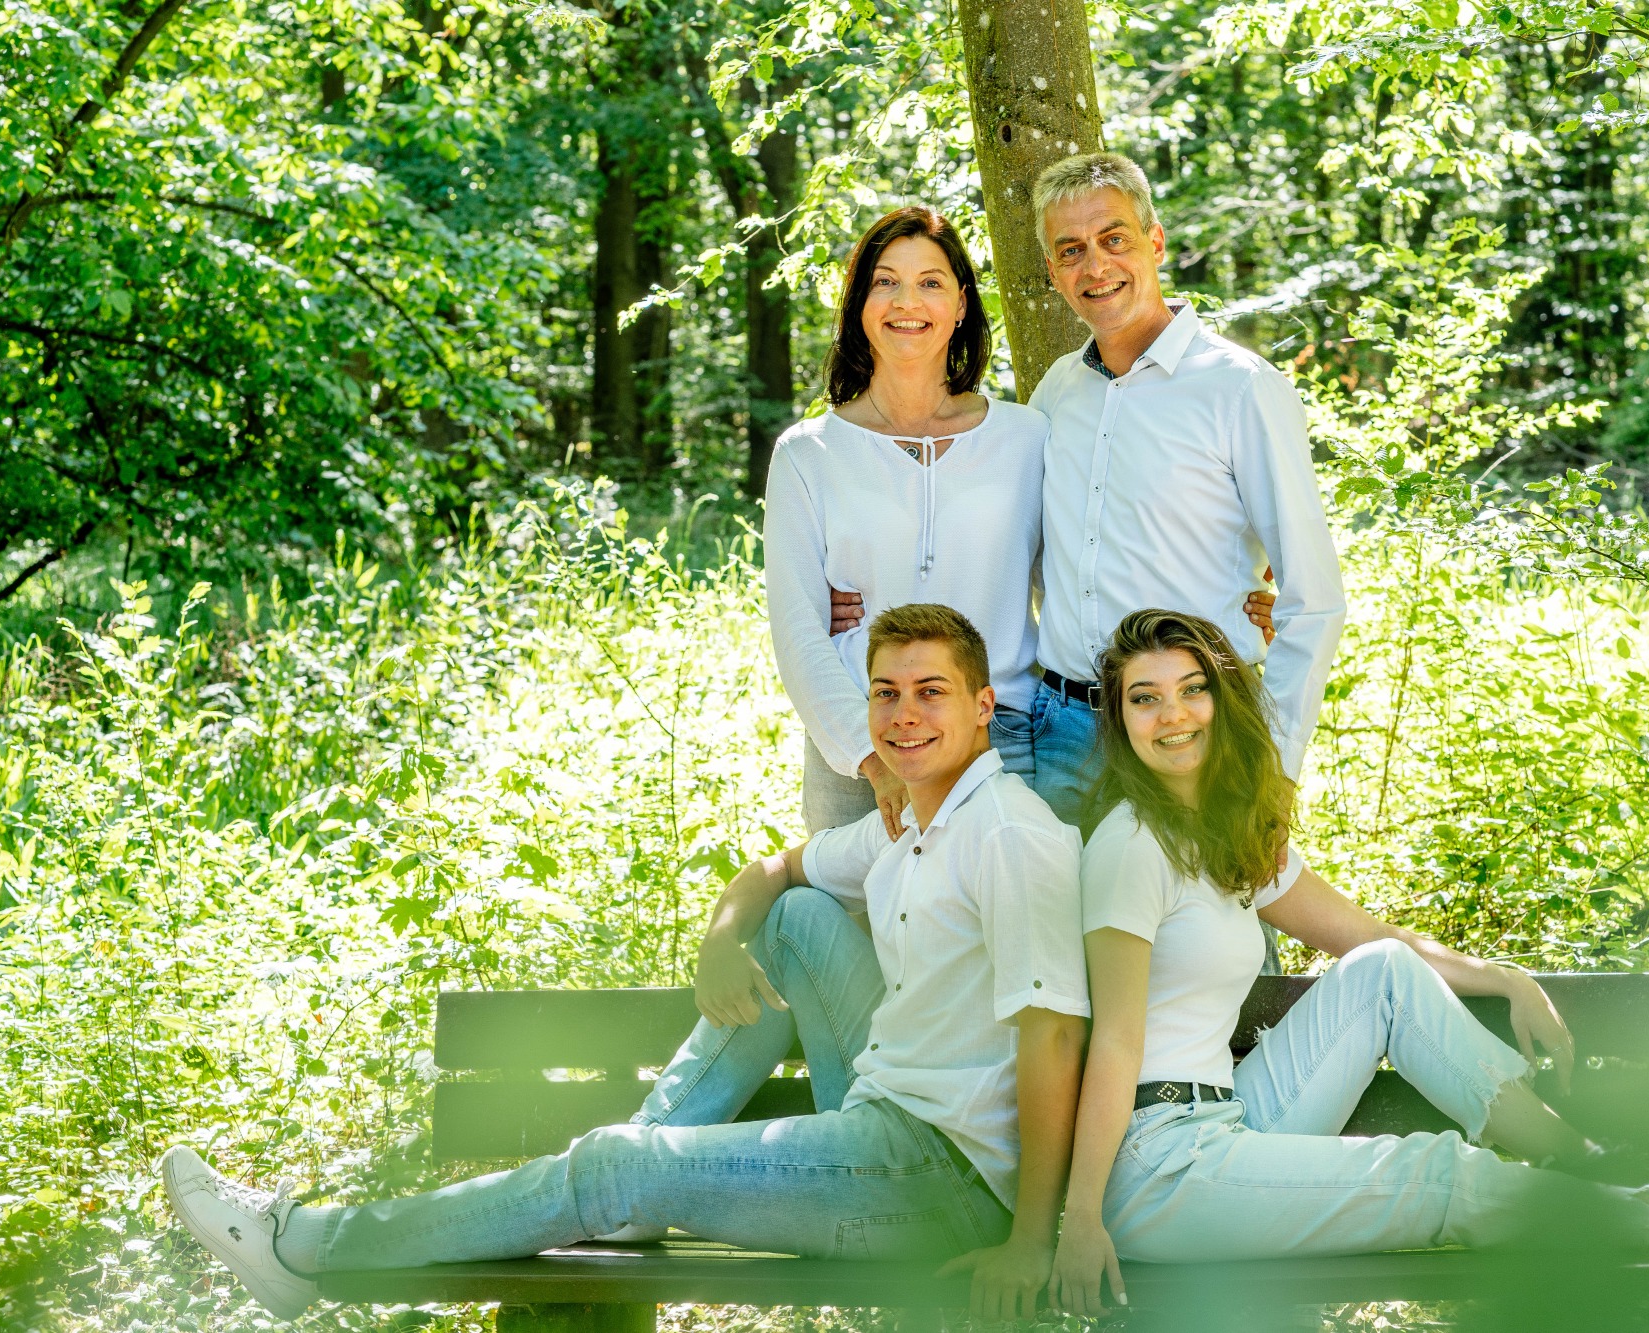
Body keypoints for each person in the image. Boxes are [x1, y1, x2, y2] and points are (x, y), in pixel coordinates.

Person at [160, 605, 1091, 1325]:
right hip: (883, 1116)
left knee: (614, 1164)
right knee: (797, 917)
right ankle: (635, 1178)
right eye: (886, 692)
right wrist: (721, 941)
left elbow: (1055, 1037)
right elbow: (774, 872)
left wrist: (1029, 1241)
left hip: (939, 1182)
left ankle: (303, 1246)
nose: (903, 714)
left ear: (982, 708)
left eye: (931, 692)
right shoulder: (911, 824)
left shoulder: (1009, 837)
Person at [1045, 608, 1649, 1315]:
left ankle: (1591, 1162)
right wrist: (1080, 1219)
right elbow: (1112, 1039)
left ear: (1222, 700)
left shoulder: (1226, 839)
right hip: (1158, 1168)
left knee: (1382, 971)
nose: (1173, 714)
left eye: (1191, 688)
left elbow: (1366, 936)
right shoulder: (1130, 848)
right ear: (1120, 720)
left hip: (1228, 1120)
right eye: (1144, 698)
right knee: (1433, 1173)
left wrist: (1504, 978)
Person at [1026, 153, 1346, 825]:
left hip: (1196, 734)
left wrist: (1276, 765)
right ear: (1054, 271)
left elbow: (1313, 598)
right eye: (1071, 250)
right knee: (1059, 901)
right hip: (1062, 735)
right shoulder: (1056, 391)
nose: (1096, 265)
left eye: (1115, 238)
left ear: (1156, 241)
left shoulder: (1239, 387)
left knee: (1212, 900)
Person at [766, 206, 1046, 838]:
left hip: (998, 733)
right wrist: (870, 761)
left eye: (930, 282)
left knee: (1008, 900)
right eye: (885, 282)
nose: (906, 302)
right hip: (862, 741)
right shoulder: (809, 454)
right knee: (843, 901)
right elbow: (798, 628)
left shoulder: (1027, 438)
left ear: (961, 304)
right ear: (859, 304)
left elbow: (1078, 582)